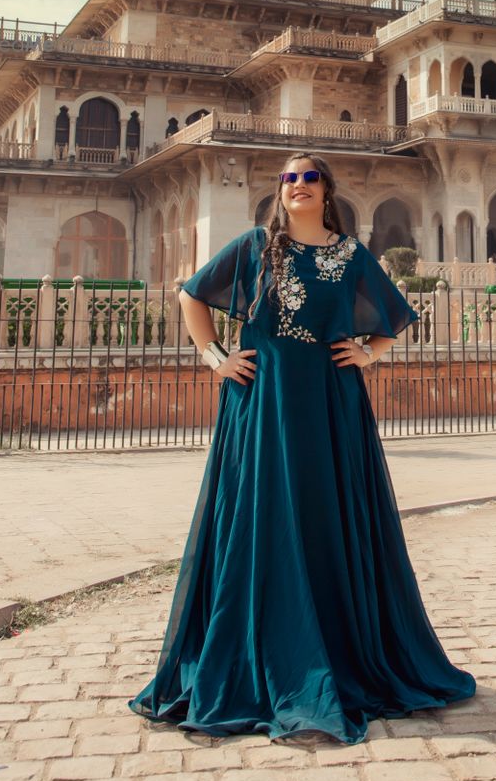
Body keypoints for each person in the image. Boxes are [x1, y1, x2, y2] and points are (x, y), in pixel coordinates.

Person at [130, 153, 474, 742]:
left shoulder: (351, 255)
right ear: (279, 190)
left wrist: (369, 352)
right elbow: (192, 296)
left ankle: (337, 651)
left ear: (327, 190)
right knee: (261, 519)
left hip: (330, 403)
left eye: (310, 177)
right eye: (289, 178)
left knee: (324, 516)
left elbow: (392, 318)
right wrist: (216, 358)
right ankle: (263, 654)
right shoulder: (254, 248)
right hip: (263, 403)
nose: (298, 186)